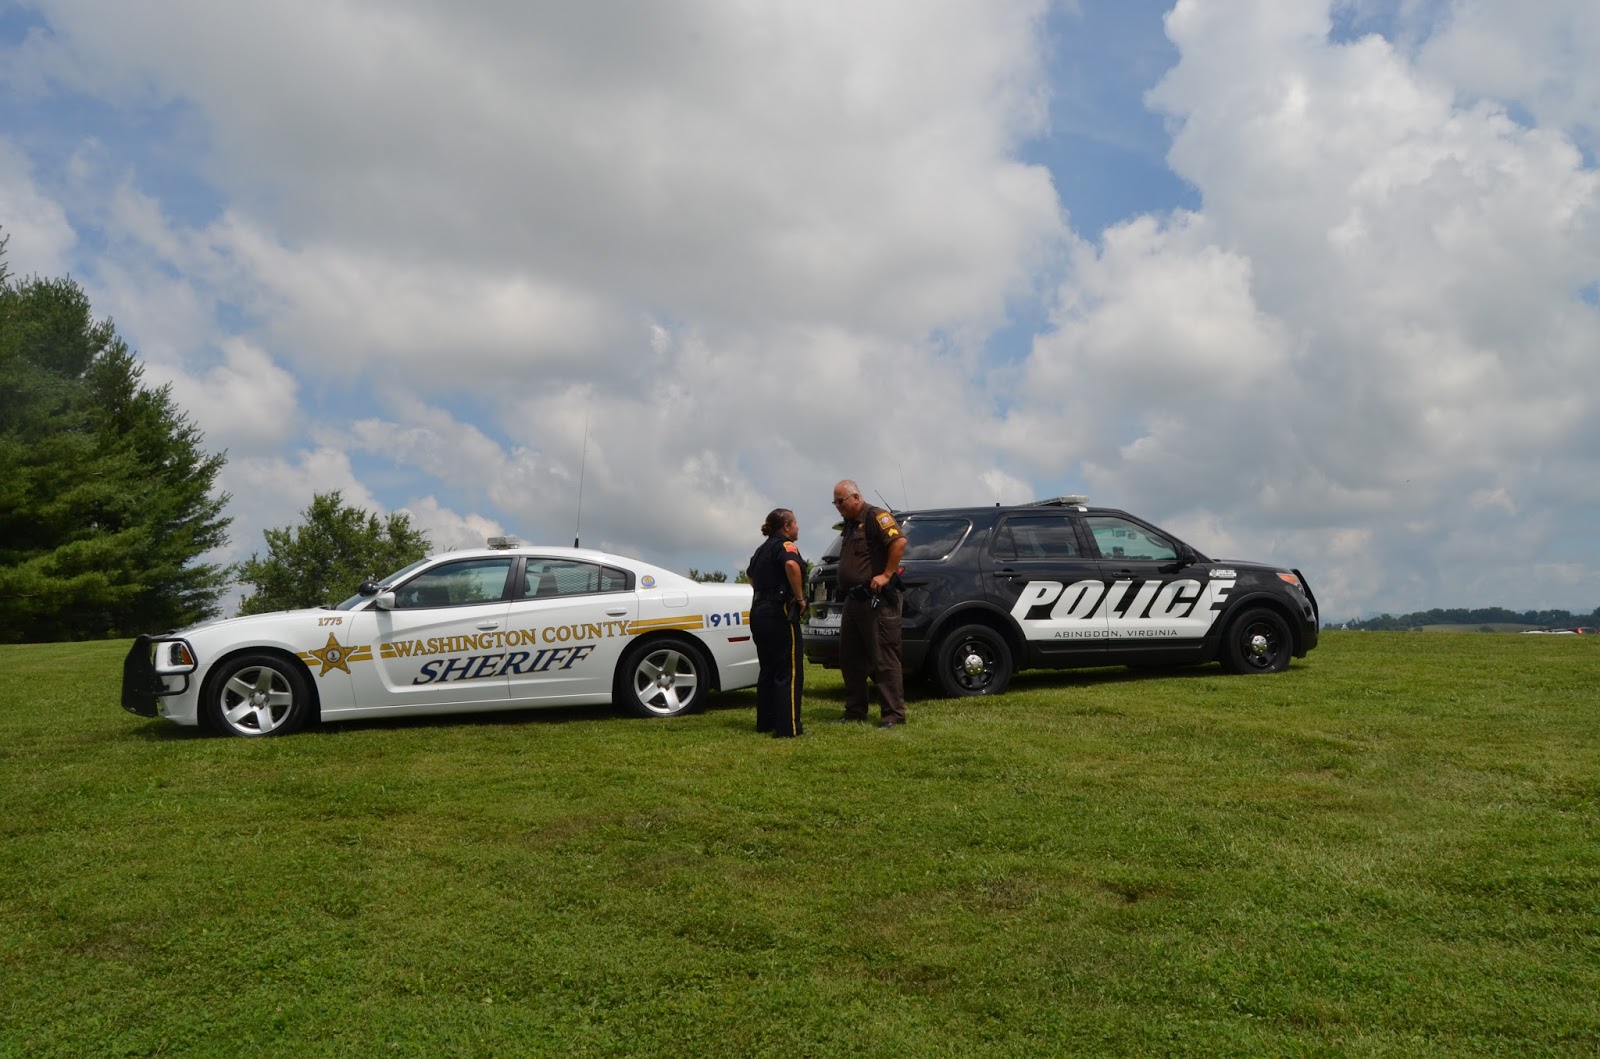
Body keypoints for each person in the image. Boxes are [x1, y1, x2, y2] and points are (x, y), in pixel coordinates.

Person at [831, 480, 907, 727]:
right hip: (854, 599)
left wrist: (886, 575)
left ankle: (893, 714)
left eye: (840, 501)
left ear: (855, 497)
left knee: (883, 656)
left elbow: (899, 542)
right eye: (835, 502)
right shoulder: (850, 525)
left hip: (877, 600)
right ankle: (855, 711)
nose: (837, 507)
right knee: (850, 658)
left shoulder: (877, 516)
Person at [747, 507, 808, 738]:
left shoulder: (761, 549)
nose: (798, 527)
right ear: (786, 527)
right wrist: (799, 597)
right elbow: (792, 566)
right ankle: (788, 728)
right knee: (788, 670)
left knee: (768, 669)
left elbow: (750, 575)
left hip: (759, 611)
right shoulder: (785, 545)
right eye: (795, 523)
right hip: (779, 611)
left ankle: (766, 722)